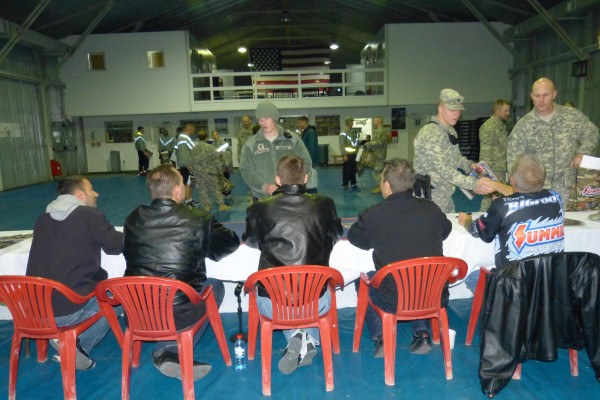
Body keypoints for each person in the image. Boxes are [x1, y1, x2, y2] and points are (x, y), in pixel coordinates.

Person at [123, 164, 240, 381]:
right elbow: (230, 242)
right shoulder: (197, 217)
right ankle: (169, 350)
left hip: (136, 309)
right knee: (215, 286)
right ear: (178, 190)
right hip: (178, 313)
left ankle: (167, 348)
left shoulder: (133, 217)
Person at [242, 155, 342, 375]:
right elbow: (335, 235)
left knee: (280, 296)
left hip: (273, 303)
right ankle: (304, 337)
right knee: (308, 297)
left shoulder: (259, 208)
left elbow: (250, 240)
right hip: (316, 301)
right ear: (306, 178)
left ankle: (299, 337)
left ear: (278, 180)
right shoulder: (325, 204)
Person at [348, 158, 452, 357]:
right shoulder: (431, 208)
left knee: (363, 281)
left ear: (387, 186)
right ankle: (422, 333)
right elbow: (445, 231)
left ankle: (382, 336)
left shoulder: (372, 215)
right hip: (434, 295)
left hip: (393, 298)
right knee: (418, 275)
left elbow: (356, 239)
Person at [26, 176, 122, 370]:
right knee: (120, 298)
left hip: (34, 310)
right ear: (79, 194)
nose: (96, 193)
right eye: (91, 189)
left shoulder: (42, 218)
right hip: (67, 309)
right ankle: (77, 347)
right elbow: (115, 246)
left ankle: (65, 342)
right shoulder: (89, 215)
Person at [458, 154, 564, 272]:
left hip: (513, 281)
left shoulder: (502, 206)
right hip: (549, 278)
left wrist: (466, 220)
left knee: (471, 275)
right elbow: (527, 195)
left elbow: (477, 231)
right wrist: (496, 186)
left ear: (512, 180)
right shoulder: (556, 197)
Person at [507, 77, 599, 208]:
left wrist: (583, 152)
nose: (541, 100)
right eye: (537, 95)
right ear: (531, 96)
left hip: (570, 191)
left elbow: (592, 133)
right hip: (538, 194)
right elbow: (514, 162)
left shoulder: (572, 117)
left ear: (554, 94)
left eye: (546, 95)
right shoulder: (523, 126)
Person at [413, 88, 496, 212]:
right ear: (440, 109)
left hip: (445, 193)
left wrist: (470, 165)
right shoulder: (431, 132)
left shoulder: (450, 130)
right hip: (430, 196)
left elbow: (456, 158)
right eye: (452, 110)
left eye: (458, 110)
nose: (456, 114)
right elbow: (444, 169)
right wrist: (474, 184)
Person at [239, 101, 316, 200]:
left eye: (266, 118)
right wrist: (264, 187)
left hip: (291, 197)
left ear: (275, 118)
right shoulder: (251, 145)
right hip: (263, 199)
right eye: (260, 119)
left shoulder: (292, 140)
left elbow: (306, 162)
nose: (263, 122)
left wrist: (294, 185)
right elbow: (246, 171)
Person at [479, 99, 511, 211]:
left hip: (501, 168)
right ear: (498, 111)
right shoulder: (488, 126)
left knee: (498, 196)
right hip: (493, 169)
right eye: (505, 111)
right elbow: (486, 151)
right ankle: (483, 215)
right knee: (489, 196)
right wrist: (488, 172)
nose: (508, 113)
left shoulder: (501, 125)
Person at [188, 131, 231, 212]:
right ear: (206, 138)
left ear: (198, 138)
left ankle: (207, 206)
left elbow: (190, 162)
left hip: (198, 173)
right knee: (215, 188)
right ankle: (221, 205)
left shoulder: (194, 149)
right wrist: (220, 171)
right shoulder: (210, 148)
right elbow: (216, 161)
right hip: (210, 172)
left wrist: (193, 171)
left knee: (202, 190)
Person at [175, 122, 197, 205]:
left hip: (190, 165)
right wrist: (188, 164)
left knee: (191, 183)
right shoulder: (183, 139)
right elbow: (183, 154)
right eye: (193, 130)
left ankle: (190, 199)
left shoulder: (186, 138)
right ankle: (187, 201)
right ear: (190, 129)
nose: (194, 131)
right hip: (187, 166)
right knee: (187, 183)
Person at [364, 116, 387, 193]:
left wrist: (369, 143)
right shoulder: (377, 130)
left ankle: (380, 187)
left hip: (380, 155)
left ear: (378, 122)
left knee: (377, 172)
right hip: (377, 154)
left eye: (374, 121)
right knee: (377, 171)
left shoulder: (381, 131)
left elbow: (380, 142)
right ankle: (379, 186)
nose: (373, 122)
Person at [339, 116, 361, 192]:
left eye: (352, 121)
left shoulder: (354, 132)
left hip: (355, 154)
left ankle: (353, 184)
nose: (352, 122)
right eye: (351, 121)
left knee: (353, 170)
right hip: (348, 155)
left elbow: (357, 143)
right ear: (348, 122)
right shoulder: (343, 132)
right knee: (347, 170)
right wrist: (344, 155)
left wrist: (359, 154)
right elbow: (342, 144)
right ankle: (345, 185)